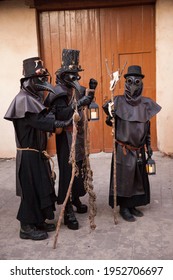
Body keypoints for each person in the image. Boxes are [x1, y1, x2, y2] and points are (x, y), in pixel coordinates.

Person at [4, 57, 72, 240]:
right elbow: (40, 121)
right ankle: (26, 227)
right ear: (28, 80)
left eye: (44, 77)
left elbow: (43, 114)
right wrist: (64, 122)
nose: (44, 82)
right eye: (39, 78)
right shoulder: (22, 100)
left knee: (41, 186)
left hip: (37, 154)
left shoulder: (32, 98)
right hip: (28, 155)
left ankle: (38, 220)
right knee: (30, 190)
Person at [45, 48, 98, 230]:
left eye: (77, 74)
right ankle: (67, 209)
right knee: (68, 171)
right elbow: (60, 115)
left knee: (80, 168)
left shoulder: (77, 89)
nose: (76, 77)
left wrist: (91, 92)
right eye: (72, 74)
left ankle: (76, 198)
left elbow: (87, 103)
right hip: (66, 137)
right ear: (64, 74)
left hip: (79, 136)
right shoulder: (57, 92)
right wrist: (79, 103)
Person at [103, 65, 161, 222]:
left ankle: (133, 204)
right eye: (130, 81)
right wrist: (111, 115)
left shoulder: (146, 104)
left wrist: (148, 146)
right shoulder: (118, 102)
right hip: (124, 148)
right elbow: (111, 123)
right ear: (126, 83)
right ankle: (124, 207)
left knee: (137, 178)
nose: (134, 85)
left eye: (137, 81)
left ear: (141, 83)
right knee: (124, 179)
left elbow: (147, 127)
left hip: (139, 149)